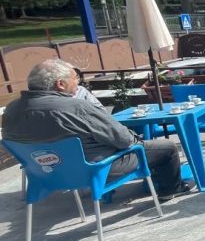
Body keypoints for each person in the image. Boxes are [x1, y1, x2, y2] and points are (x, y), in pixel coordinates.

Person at [2, 59, 189, 201]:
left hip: (46, 174)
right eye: (75, 79)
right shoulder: (75, 107)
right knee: (166, 148)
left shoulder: (10, 111)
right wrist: (137, 141)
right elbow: (123, 139)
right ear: (60, 83)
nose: (78, 84)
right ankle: (168, 190)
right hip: (97, 168)